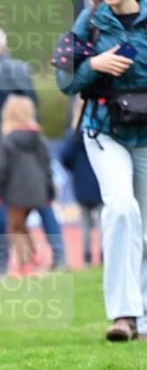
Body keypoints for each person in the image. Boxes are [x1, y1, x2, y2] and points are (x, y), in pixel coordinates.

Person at [56, 0, 147, 342]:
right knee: (122, 209)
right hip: (102, 130)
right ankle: (123, 315)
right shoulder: (89, 21)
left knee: (143, 225)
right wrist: (94, 63)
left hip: (144, 135)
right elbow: (64, 79)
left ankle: (142, 316)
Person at [0, 25, 67, 273]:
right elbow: (33, 104)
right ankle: (59, 257)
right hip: (34, 144)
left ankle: (1, 264)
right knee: (44, 203)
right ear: (3, 45)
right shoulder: (23, 70)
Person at [0, 96, 55, 273]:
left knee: (13, 228)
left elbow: (1, 169)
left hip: (16, 191)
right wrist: (49, 193)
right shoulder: (39, 138)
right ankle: (33, 254)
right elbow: (47, 166)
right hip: (38, 190)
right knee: (20, 224)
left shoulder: (8, 139)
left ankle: (26, 263)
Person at [59, 97, 102, 266]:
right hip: (99, 181)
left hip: (81, 183)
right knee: (101, 221)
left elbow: (65, 156)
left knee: (85, 222)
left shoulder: (74, 135)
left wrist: (75, 170)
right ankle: (104, 253)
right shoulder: (100, 132)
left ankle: (87, 256)